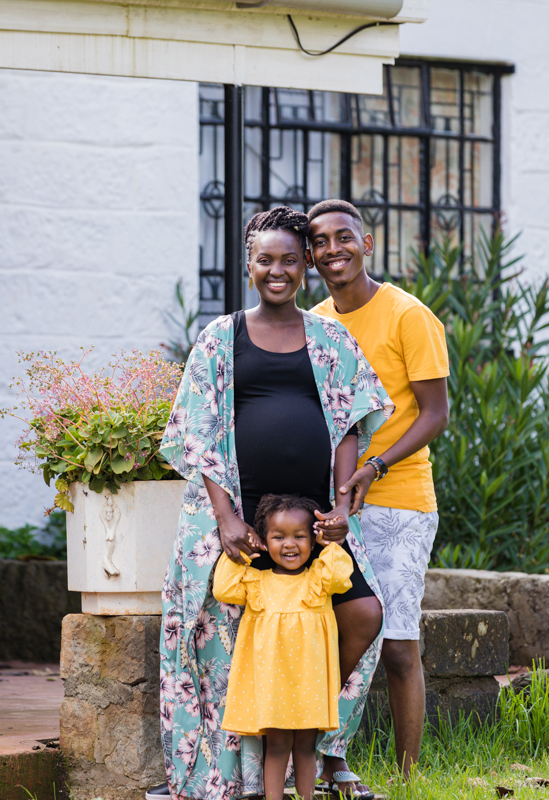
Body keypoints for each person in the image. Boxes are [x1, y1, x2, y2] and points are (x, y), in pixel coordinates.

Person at [157, 206, 394, 800]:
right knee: (229, 636)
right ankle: (235, 771)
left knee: (363, 613)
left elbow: (348, 425)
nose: (278, 270)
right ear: (249, 264)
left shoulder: (330, 337)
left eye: (291, 258)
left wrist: (342, 507)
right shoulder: (221, 336)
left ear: (307, 264)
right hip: (244, 523)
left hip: (309, 524)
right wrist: (227, 518)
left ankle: (309, 722)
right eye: (266, 259)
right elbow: (200, 430)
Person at [309, 199, 450, 787]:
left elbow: (436, 413)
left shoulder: (408, 316)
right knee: (334, 631)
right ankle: (328, 759)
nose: (333, 249)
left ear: (367, 244)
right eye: (320, 241)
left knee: (395, 644)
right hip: (333, 502)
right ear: (311, 255)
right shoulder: (314, 321)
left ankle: (408, 776)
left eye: (345, 237)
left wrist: (377, 465)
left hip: (399, 499)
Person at [214, 495, 353, 800]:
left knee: (306, 746)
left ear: (312, 540)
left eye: (300, 536)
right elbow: (222, 588)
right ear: (264, 540)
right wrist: (243, 551)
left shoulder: (318, 579)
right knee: (276, 747)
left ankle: (307, 797)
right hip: (274, 686)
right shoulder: (256, 582)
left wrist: (328, 543)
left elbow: (342, 575)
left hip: (309, 685)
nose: (290, 544)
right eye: (278, 537)